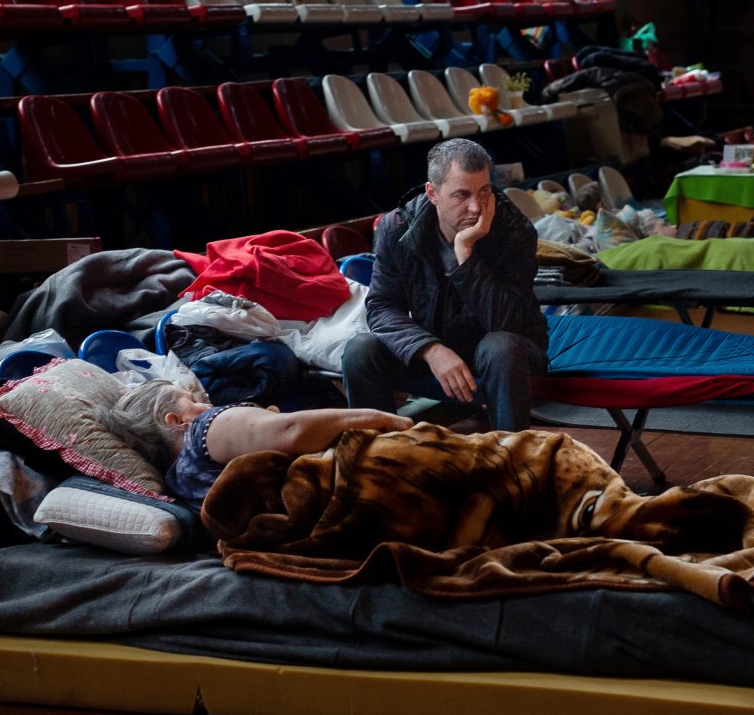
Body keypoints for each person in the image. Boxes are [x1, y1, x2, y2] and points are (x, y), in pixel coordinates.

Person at [343, 138, 548, 432]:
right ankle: (378, 452)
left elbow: (507, 321)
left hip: (509, 347)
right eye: (461, 195)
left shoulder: (514, 230)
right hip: (436, 343)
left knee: (500, 347)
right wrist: (430, 349)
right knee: (361, 350)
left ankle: (512, 453)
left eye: (484, 191)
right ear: (433, 193)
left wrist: (465, 254)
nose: (476, 207)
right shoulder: (397, 227)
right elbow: (382, 306)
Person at [108, 379, 412, 504]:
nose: (207, 404)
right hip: (358, 490)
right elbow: (292, 430)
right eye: (191, 401)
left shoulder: (180, 482)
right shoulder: (203, 431)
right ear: (175, 420)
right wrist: (383, 419)